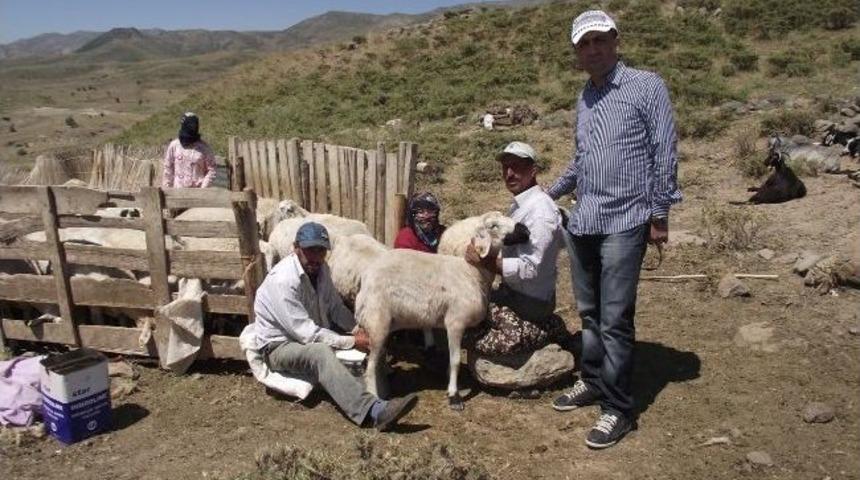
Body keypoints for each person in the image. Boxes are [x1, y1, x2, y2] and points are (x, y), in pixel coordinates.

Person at [547, 10, 682, 449]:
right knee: (588, 313)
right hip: (585, 220)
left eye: (600, 40)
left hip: (627, 220)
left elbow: (665, 151)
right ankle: (593, 380)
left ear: (615, 40)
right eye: (584, 45)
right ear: (577, 54)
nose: (593, 50)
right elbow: (582, 160)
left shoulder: (646, 85)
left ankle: (618, 408)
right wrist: (546, 194)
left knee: (615, 319)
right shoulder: (584, 98)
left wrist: (660, 213)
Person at [253, 222, 418, 431]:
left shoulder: (321, 270)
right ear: (296, 248)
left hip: (307, 332)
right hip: (279, 347)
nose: (315, 257)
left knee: (352, 339)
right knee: (320, 352)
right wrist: (352, 341)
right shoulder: (283, 281)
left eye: (321, 250)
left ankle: (378, 382)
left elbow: (335, 307)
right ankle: (373, 411)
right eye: (309, 250)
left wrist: (358, 329)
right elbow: (306, 334)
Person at [465, 141, 565, 358]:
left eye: (517, 167)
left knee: (465, 324)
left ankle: (538, 330)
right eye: (505, 167)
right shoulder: (521, 205)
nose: (509, 173)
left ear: (533, 170)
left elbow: (531, 268)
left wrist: (484, 261)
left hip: (529, 302)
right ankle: (544, 329)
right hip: (517, 294)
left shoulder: (540, 211)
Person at [162, 112, 217, 189]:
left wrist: (203, 189)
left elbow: (212, 169)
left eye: (194, 125)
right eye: (189, 125)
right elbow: (168, 168)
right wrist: (167, 189)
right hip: (177, 193)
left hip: (198, 194)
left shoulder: (204, 148)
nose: (192, 127)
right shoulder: (174, 146)